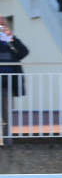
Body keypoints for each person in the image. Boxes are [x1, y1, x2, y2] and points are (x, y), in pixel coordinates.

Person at [0, 15, 29, 144]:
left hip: (8, 83)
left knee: (6, 115)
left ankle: (7, 144)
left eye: (2, 25)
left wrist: (11, 36)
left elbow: (23, 52)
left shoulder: (9, 40)